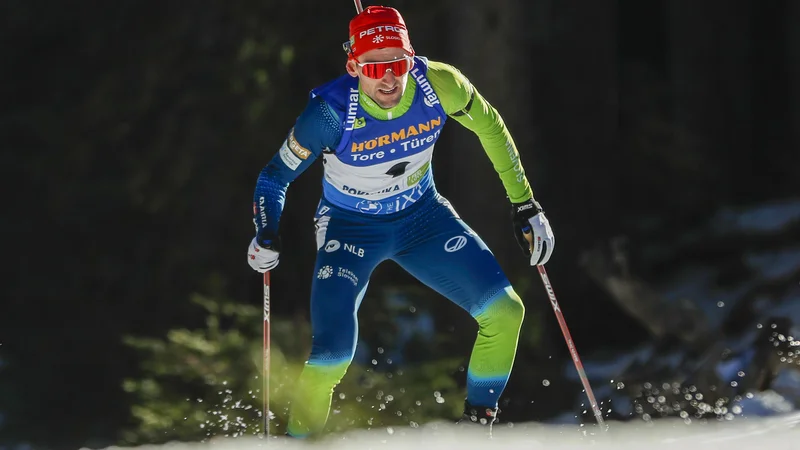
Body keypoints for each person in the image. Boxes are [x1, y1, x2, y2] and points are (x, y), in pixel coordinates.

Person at [247, 5, 555, 438]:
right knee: (332, 355)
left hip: (423, 219)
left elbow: (491, 127)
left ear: (412, 58)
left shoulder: (439, 84)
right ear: (354, 66)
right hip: (349, 229)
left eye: (398, 64)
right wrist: (267, 233)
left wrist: (525, 204)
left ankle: (476, 427)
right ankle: (300, 443)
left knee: (505, 312)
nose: (389, 79)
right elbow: (274, 176)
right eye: (374, 67)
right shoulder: (330, 113)